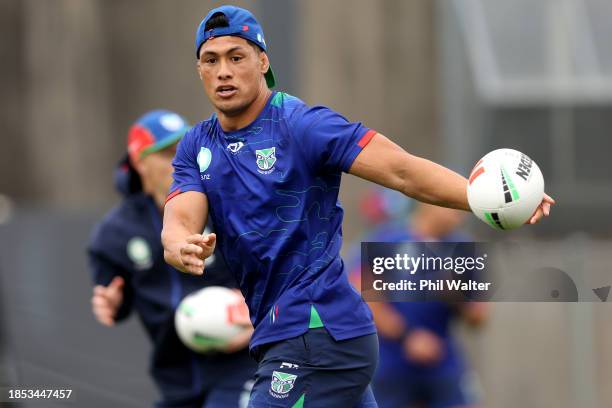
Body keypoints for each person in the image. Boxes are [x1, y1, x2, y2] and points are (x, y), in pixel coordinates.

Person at [161, 5, 554, 407]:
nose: (223, 71)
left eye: (236, 57)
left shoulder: (303, 126)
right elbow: (181, 217)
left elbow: (402, 171)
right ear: (199, 69)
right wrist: (177, 244)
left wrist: (484, 196)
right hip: (296, 336)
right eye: (211, 60)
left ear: (263, 61)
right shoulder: (197, 145)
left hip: (316, 333)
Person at [87, 110, 257, 408]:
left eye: (184, 149)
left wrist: (255, 314)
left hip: (243, 364)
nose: (180, 160)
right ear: (140, 162)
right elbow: (114, 298)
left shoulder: (226, 206)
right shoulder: (114, 234)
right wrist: (112, 305)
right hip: (176, 379)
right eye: (167, 153)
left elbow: (274, 269)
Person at [347, 191, 488, 408]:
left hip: (442, 360)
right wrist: (408, 337)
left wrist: (456, 293)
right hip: (391, 361)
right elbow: (363, 298)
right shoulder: (387, 240)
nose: (460, 215)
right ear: (429, 201)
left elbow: (479, 318)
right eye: (454, 205)